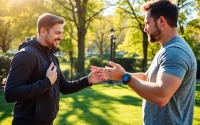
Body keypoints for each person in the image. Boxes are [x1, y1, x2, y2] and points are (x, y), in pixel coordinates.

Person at [92, 0, 197, 125]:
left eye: (147, 23)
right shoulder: (167, 49)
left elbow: (161, 96)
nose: (145, 28)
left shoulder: (175, 51)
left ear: (161, 21)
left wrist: (125, 77)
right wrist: (116, 74)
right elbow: (147, 77)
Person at [4, 13, 104, 125]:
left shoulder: (52, 57)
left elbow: (65, 87)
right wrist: (46, 82)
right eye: (57, 33)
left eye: (61, 33)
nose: (61, 37)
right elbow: (10, 93)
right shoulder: (26, 55)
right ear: (43, 32)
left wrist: (88, 80)